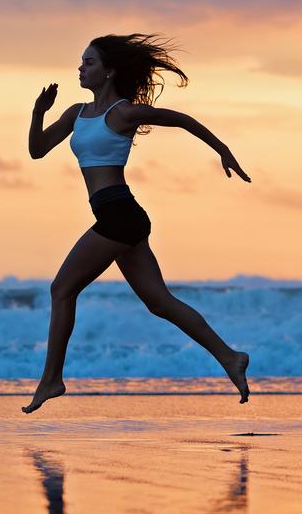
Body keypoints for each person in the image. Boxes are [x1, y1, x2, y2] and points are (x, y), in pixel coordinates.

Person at [23, 33, 251, 414]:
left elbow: (179, 119)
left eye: (89, 62)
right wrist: (37, 112)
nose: (81, 68)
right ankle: (230, 357)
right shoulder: (75, 114)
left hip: (119, 214)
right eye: (81, 62)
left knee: (62, 289)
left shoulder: (124, 113)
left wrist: (222, 150)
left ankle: (51, 379)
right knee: (159, 302)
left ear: (109, 72)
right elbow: (37, 150)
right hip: (117, 216)